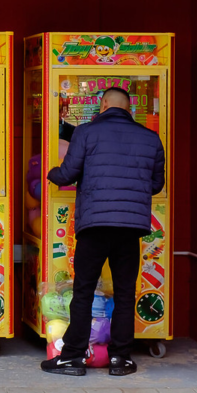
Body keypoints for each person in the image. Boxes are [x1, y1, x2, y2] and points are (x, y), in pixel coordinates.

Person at [41, 87, 165, 377]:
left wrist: (50, 173)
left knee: (83, 290)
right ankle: (120, 359)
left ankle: (72, 357)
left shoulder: (85, 132)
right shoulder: (151, 138)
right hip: (130, 229)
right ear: (128, 108)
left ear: (104, 104)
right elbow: (156, 184)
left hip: (94, 226)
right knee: (124, 293)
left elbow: (68, 173)